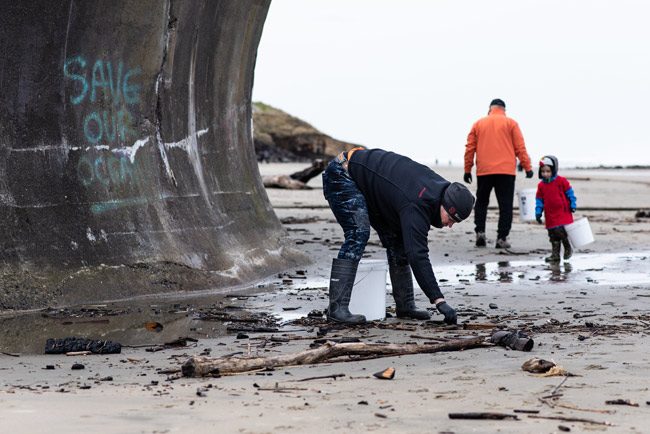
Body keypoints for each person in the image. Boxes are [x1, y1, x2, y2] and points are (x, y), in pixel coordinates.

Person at [322, 148, 475, 325]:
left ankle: (405, 305)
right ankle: (337, 309)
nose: (449, 225)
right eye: (451, 219)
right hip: (343, 174)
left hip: (374, 188)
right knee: (358, 232)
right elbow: (417, 255)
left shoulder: (440, 190)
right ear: (445, 205)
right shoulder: (417, 203)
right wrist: (439, 300)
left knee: (399, 239)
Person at [463, 98, 534, 248]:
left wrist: (467, 169)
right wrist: (527, 167)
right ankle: (501, 238)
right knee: (505, 206)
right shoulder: (511, 123)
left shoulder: (479, 124)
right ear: (504, 109)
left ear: (490, 109)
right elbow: (520, 147)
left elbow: (470, 148)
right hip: (506, 172)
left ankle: (480, 233)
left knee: (481, 203)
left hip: (484, 171)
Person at [535, 155, 577, 262]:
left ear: (553, 170)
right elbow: (539, 200)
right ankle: (555, 255)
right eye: (543, 171)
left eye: (548, 171)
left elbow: (570, 193)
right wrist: (538, 212)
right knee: (553, 235)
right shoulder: (541, 186)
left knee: (560, 231)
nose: (545, 174)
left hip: (562, 212)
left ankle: (567, 247)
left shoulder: (561, 181)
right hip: (550, 214)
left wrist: (573, 204)